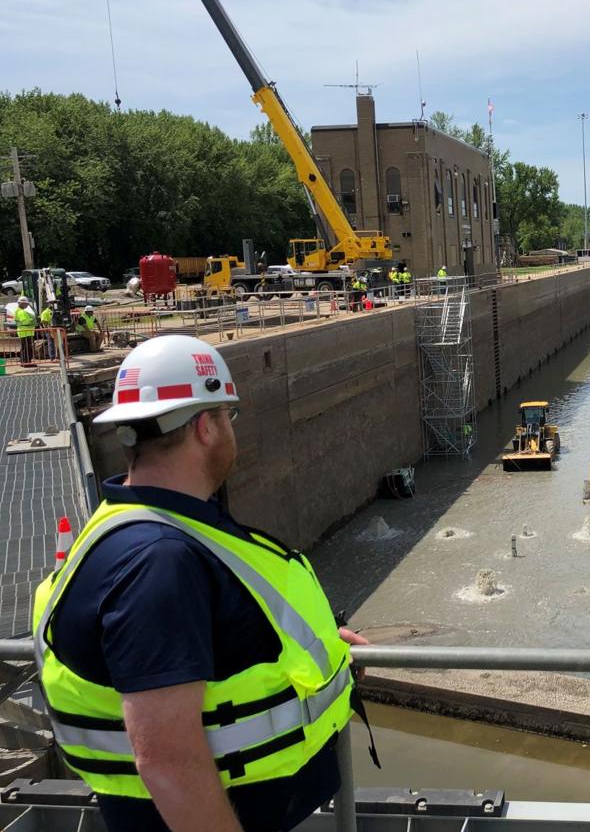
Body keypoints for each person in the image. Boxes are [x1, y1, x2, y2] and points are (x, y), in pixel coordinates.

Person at [31, 336, 372, 832]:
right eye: (227, 416)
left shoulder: (149, 528)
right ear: (205, 427)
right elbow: (167, 761)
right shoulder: (158, 561)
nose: (231, 428)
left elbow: (206, 648)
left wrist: (322, 647)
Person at [13, 295, 36, 366]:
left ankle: (24, 361)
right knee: (27, 348)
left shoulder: (18, 311)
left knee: (24, 347)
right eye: (26, 304)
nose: (27, 305)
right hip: (26, 332)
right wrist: (33, 319)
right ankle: (27, 362)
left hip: (24, 332)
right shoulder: (21, 312)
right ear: (21, 303)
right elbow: (25, 321)